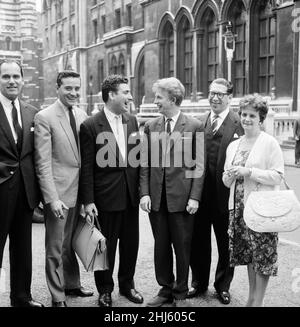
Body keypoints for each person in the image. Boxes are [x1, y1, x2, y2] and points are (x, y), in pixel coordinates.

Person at [140, 77, 205, 307]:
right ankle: (165, 288)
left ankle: (180, 293)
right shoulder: (150, 126)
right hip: (157, 200)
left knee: (182, 247)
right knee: (161, 246)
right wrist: (145, 193)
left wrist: (195, 197)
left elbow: (198, 166)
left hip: (182, 200)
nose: (155, 101)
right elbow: (145, 164)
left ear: (173, 99)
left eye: (158, 97)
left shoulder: (195, 126)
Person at [79, 75, 143, 307]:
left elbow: (138, 160)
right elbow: (86, 166)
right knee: (105, 247)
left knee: (130, 245)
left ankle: (128, 286)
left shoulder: (133, 121)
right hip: (105, 199)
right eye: (125, 92)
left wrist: (142, 191)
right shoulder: (90, 125)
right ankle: (104, 290)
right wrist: (88, 201)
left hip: (130, 197)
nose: (130, 96)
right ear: (111, 95)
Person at [34, 71, 93, 307]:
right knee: (56, 246)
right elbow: (43, 162)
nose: (74, 93)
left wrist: (89, 196)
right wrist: (52, 198)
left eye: (77, 88)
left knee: (71, 242)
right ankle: (57, 295)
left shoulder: (81, 114)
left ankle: (72, 284)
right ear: (57, 88)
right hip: (58, 193)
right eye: (68, 88)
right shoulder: (44, 117)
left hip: (80, 192)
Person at [223, 94, 284, 307]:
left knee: (263, 257)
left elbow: (277, 175)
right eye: (243, 114)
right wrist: (229, 175)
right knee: (249, 255)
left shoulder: (269, 143)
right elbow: (225, 181)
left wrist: (249, 171)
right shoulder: (234, 145)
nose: (246, 118)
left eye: (252, 115)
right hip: (239, 209)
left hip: (262, 209)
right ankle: (250, 298)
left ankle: (258, 302)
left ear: (261, 118)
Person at [189, 78, 244, 305]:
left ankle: (222, 286)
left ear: (230, 97)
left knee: (225, 244)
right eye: (212, 93)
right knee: (198, 242)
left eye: (220, 94)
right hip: (201, 197)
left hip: (225, 197)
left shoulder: (239, 123)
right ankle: (198, 283)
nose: (214, 97)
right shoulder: (199, 122)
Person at [0, 59, 43, 307]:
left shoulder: (31, 112)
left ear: (23, 80)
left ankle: (21, 297)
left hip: (25, 192)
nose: (12, 81)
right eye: (6, 77)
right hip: (1, 190)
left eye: (16, 76)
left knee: (22, 249)